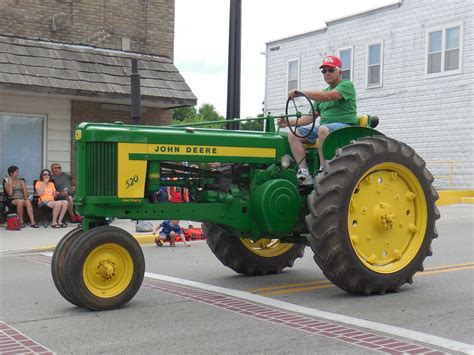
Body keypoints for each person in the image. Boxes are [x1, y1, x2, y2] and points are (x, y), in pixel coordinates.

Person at [280, 55, 357, 185]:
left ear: (339, 72)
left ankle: (323, 170)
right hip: (326, 129)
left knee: (323, 129)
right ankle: (304, 172)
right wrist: (287, 123)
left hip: (345, 127)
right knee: (294, 134)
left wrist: (302, 93)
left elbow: (329, 96)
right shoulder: (322, 94)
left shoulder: (346, 85)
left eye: (330, 70)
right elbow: (309, 118)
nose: (326, 73)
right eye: (324, 71)